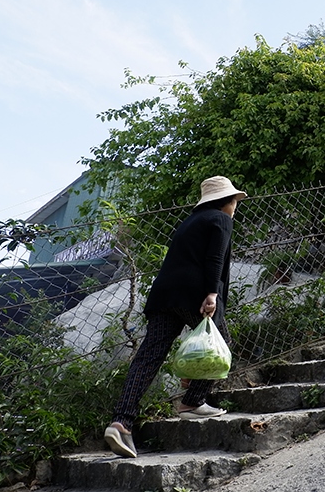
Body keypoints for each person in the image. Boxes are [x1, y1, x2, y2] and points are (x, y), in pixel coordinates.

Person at [104, 176, 247, 459]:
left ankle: (121, 422)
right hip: (194, 293)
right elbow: (215, 259)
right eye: (234, 202)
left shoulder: (189, 222)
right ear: (225, 201)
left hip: (163, 295)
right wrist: (211, 294)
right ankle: (193, 401)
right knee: (220, 343)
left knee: (149, 356)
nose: (236, 207)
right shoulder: (221, 220)